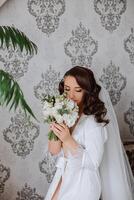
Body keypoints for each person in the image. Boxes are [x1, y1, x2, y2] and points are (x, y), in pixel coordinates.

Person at [44, 66, 134, 200]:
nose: (71, 95)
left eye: (78, 90)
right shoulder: (67, 116)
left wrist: (68, 140)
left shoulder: (93, 122)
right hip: (63, 179)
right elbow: (54, 152)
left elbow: (93, 162)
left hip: (83, 185)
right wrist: (55, 121)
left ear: (87, 91)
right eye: (67, 89)